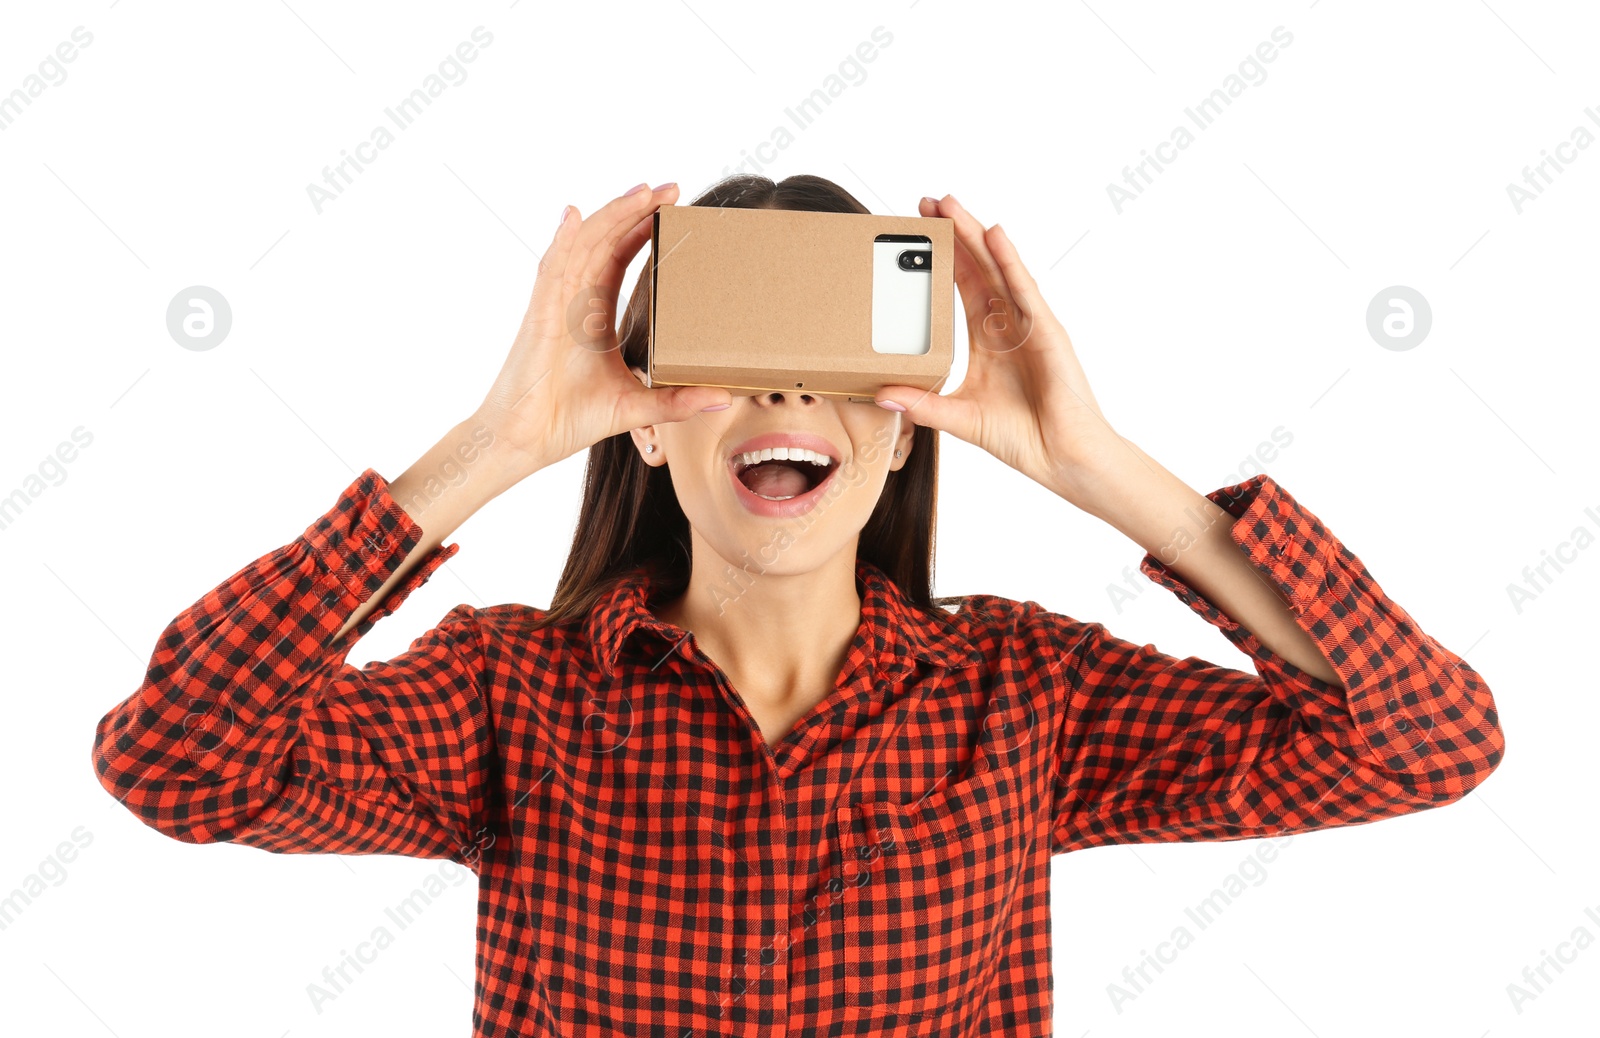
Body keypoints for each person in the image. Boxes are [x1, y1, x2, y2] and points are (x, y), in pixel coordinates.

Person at [92, 174, 1505, 1036]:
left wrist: (1101, 466)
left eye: (834, 371)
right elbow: (176, 764)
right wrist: (503, 440)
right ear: (644, 422)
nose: (783, 399)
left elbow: (1426, 742)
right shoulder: (507, 698)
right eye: (736, 360)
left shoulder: (1025, 697)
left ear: (899, 435)